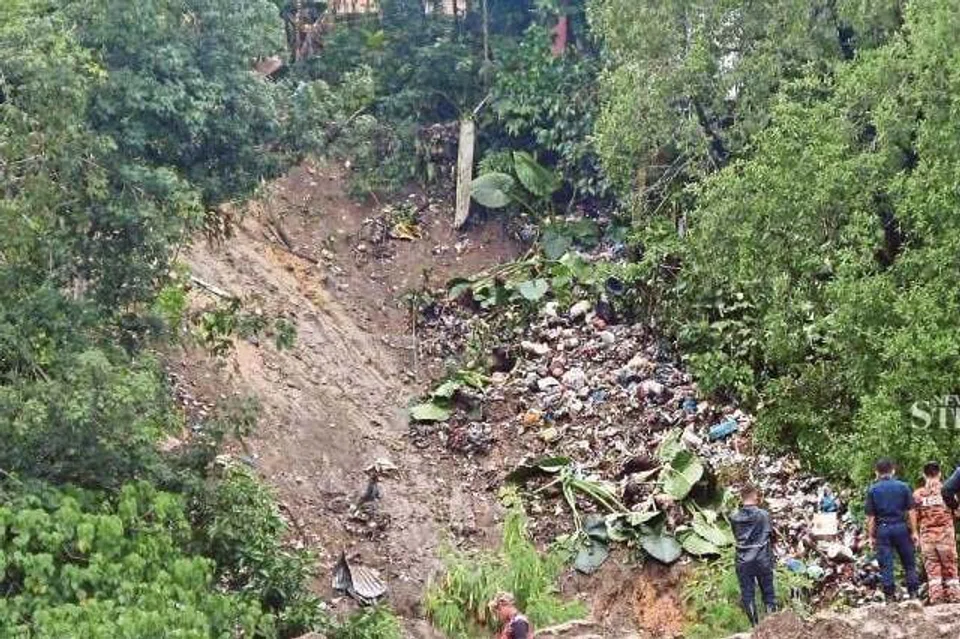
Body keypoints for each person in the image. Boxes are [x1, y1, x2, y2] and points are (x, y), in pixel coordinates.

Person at [865, 458, 920, 600]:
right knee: (909, 562)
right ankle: (913, 593)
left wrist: (871, 536)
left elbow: (871, 517)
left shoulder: (873, 490)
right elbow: (911, 511)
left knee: (886, 563)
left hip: (883, 529)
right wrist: (914, 532)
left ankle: (889, 596)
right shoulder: (903, 487)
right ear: (893, 471)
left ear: (876, 473)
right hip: (901, 527)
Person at [914, 461, 960, 603]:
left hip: (927, 537)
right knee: (950, 568)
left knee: (933, 570)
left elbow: (914, 517)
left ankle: (937, 599)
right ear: (939, 473)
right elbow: (957, 513)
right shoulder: (948, 491)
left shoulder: (918, 495)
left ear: (924, 475)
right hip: (946, 536)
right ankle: (954, 597)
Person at [731, 484, 776, 625]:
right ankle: (771, 626)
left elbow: (736, 535)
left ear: (741, 497)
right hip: (762, 557)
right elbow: (770, 535)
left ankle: (755, 626)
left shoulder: (734, 517)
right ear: (755, 496)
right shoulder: (763, 515)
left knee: (748, 594)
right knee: (768, 593)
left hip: (743, 559)